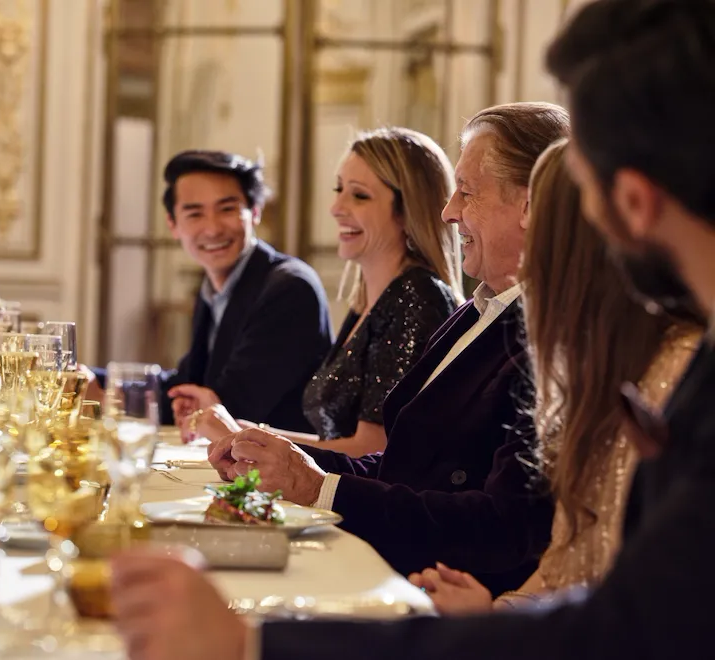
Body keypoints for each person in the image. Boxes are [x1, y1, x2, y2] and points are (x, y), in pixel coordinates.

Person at [110, 2, 715, 659]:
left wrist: (252, 643)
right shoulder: (676, 358)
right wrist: (306, 475)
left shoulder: (647, 358)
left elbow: (619, 620)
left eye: (578, 190)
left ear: (630, 200)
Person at [205, 102, 569, 592]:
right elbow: (405, 462)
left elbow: (501, 527)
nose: (449, 212)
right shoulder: (481, 310)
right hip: (388, 566)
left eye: (466, 192)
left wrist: (318, 488)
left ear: (530, 205)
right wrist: (290, 462)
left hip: (442, 602)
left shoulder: (556, 337)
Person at [412, 139, 702, 613]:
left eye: (541, 239)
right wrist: (500, 610)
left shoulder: (676, 371)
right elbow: (564, 560)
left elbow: (648, 606)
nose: (531, 266)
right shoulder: (593, 368)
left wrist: (495, 626)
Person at [190, 127, 463, 457]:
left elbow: (373, 450)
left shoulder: (416, 296)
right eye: (339, 190)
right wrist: (247, 431)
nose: (336, 207)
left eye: (359, 195)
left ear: (408, 210)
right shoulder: (369, 300)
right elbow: (338, 442)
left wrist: (241, 436)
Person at [96, 150, 332, 433]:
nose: (212, 228)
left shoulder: (290, 288)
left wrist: (110, 398)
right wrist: (96, 382)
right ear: (173, 224)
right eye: (195, 213)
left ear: (255, 212)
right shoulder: (213, 287)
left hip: (276, 469)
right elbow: (188, 384)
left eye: (227, 209)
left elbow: (230, 406)